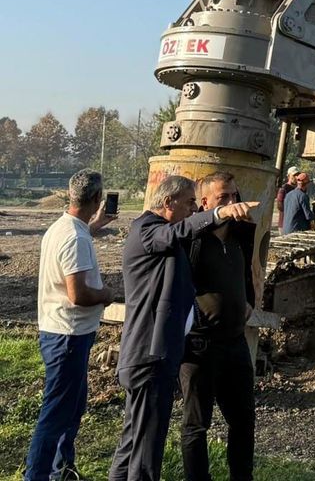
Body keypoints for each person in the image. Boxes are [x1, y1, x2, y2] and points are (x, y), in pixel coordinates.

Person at [108, 176, 258, 481]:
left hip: (165, 352)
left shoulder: (174, 232)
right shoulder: (148, 230)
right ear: (168, 203)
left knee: (133, 442)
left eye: (234, 196)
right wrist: (217, 215)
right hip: (152, 354)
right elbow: (180, 233)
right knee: (147, 451)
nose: (192, 210)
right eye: (191, 202)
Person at [24, 169, 116, 481]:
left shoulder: (63, 228)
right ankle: (38, 475)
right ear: (97, 199)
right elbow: (79, 294)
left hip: (62, 332)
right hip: (68, 336)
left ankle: (61, 469)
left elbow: (75, 241)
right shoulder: (75, 237)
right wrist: (106, 294)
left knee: (72, 407)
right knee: (55, 415)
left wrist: (95, 226)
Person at [180, 171, 256, 480]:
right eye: (222, 197)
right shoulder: (193, 237)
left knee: (243, 420)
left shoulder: (240, 234)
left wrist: (249, 299)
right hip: (201, 345)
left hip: (235, 342)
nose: (231, 202)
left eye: (233, 196)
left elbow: (250, 269)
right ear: (204, 202)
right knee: (197, 424)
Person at [275, 166, 299, 234]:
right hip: (284, 224)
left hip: (294, 224)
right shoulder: (283, 189)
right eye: (294, 175)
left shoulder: (297, 189)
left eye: (297, 175)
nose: (296, 177)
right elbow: (279, 206)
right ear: (288, 176)